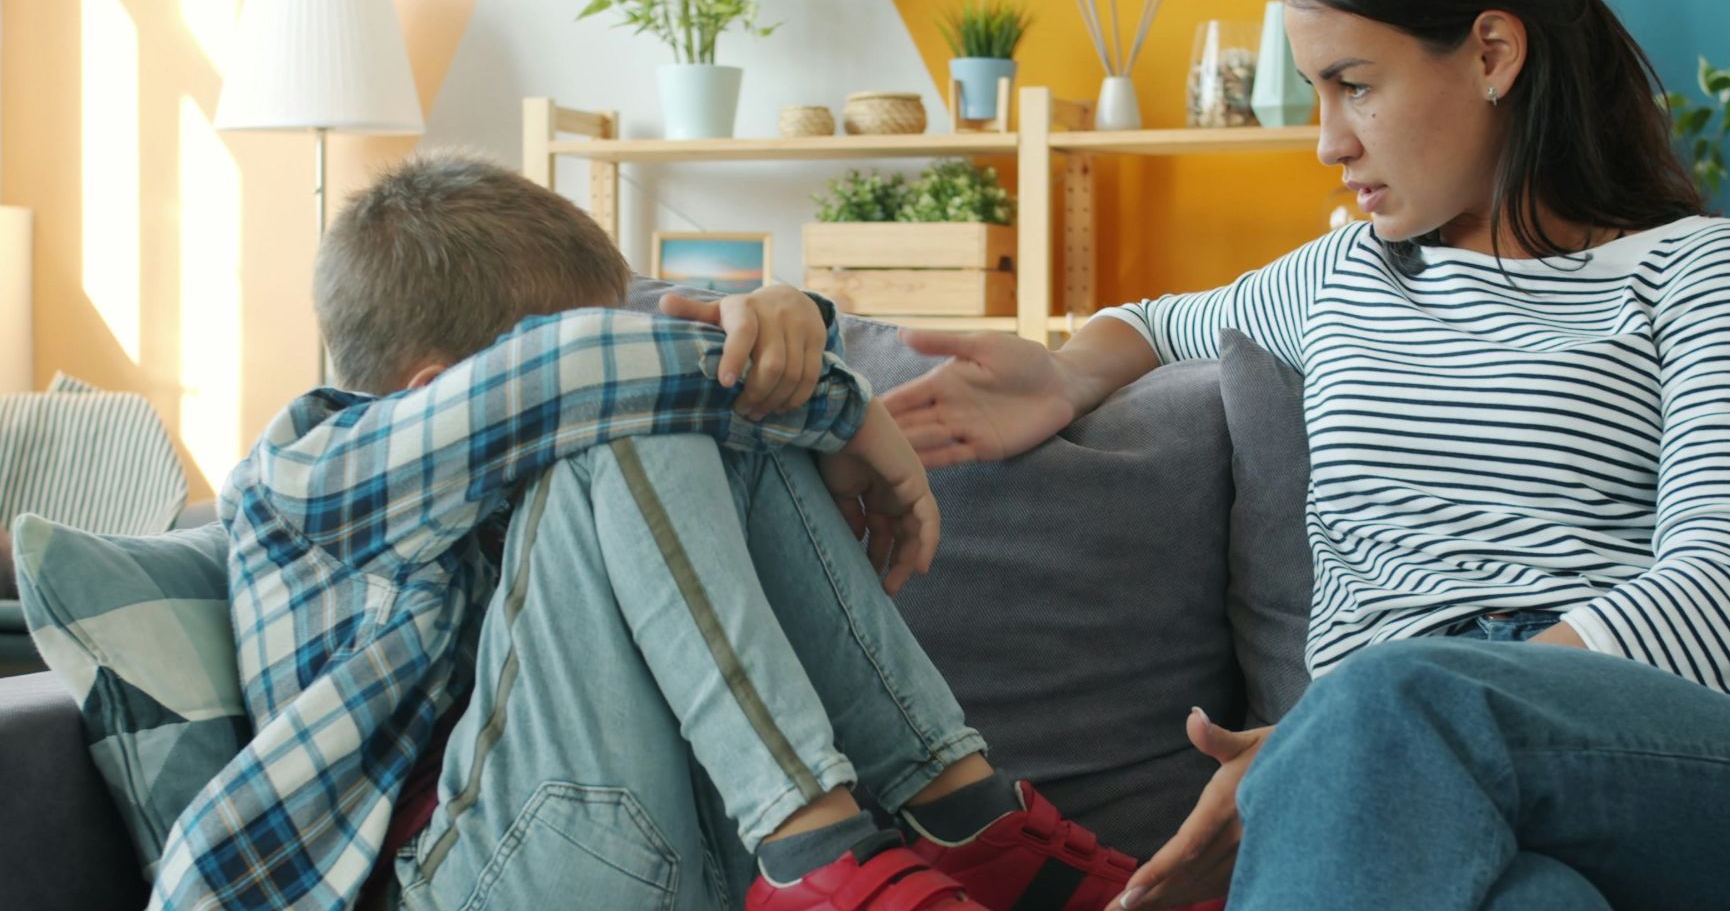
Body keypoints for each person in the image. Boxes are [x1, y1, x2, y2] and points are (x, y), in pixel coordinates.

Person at [879, 0, 1730, 911]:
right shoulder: (1342, 279)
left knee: (1384, 700)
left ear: (1494, 51)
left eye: (1355, 86)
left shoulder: (1703, 268)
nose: (1328, 142)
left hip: (1716, 787)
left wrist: (1383, 721)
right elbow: (1154, 322)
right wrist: (1061, 375)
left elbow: (1727, 596)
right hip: (1409, 784)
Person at [148, 153, 1197, 911]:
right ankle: (820, 850)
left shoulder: (560, 431)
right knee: (633, 419)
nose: (615, 344)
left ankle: (962, 820)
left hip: (671, 846)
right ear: (432, 391)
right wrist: (841, 404)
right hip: (460, 879)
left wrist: (789, 329)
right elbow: (582, 374)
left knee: (707, 418)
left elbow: (646, 358)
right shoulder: (306, 471)